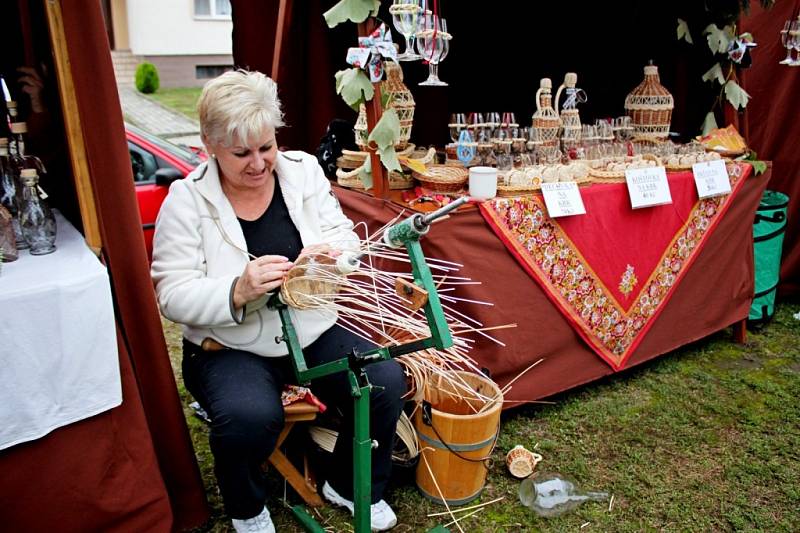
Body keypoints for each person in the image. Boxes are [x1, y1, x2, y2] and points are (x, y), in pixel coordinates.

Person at [150, 70, 405, 533]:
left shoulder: (303, 172)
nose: (258, 163)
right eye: (241, 153)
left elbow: (344, 238)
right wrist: (237, 290)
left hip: (309, 329)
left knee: (384, 379)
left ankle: (348, 485)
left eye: (266, 147)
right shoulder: (186, 201)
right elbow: (171, 293)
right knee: (249, 415)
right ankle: (247, 506)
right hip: (230, 346)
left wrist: (331, 258)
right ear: (210, 144)